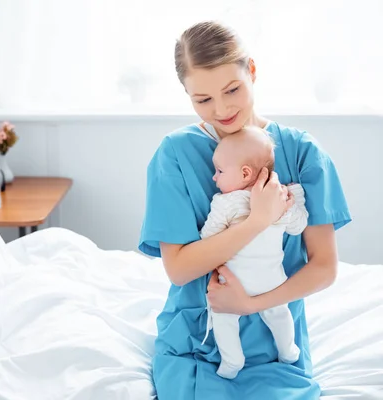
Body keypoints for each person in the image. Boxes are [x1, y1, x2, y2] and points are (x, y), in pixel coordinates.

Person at [138, 21, 351, 399]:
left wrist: (251, 304)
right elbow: (180, 267)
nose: (220, 109)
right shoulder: (173, 154)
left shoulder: (303, 153)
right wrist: (257, 221)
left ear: (251, 71)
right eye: (202, 99)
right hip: (195, 342)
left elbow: (324, 267)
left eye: (232, 89)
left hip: (277, 348)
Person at [199, 126, 308, 380]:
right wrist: (296, 198)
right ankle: (289, 350)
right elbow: (298, 227)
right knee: (280, 313)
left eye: (220, 171)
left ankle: (232, 360)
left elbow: (208, 238)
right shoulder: (279, 199)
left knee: (224, 317)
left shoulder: (225, 202)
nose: (214, 178)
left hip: (234, 283)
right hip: (272, 282)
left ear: (245, 173)